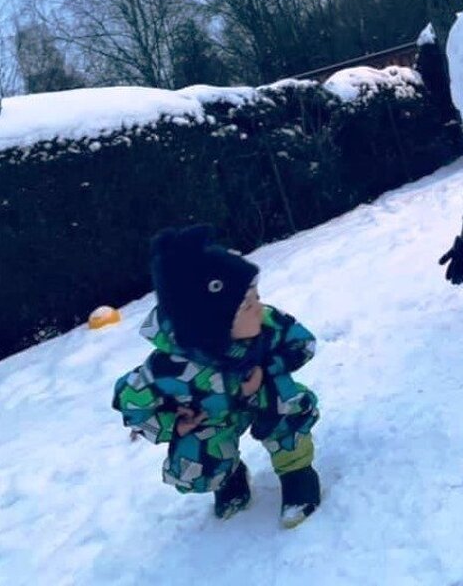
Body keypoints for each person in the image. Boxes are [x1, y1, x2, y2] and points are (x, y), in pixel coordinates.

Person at [113, 224, 321, 528]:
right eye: (248, 304)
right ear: (214, 324)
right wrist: (174, 423)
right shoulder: (168, 368)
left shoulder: (266, 325)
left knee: (285, 402)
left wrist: (266, 372)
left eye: (257, 296)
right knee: (194, 467)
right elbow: (129, 402)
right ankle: (229, 477)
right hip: (213, 418)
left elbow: (304, 344)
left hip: (264, 401)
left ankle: (297, 472)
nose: (259, 308)